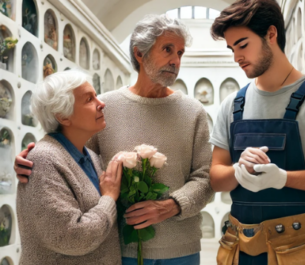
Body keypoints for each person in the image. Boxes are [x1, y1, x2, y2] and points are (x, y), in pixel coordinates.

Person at [15, 15, 213, 265]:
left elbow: (205, 177)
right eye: (167, 49)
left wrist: (171, 205)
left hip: (181, 248)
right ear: (140, 53)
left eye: (181, 53)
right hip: (119, 248)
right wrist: (31, 156)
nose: (176, 61)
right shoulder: (104, 107)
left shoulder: (193, 111)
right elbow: (72, 160)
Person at [209, 0, 305, 264]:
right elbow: (217, 178)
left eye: (242, 45)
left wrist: (283, 178)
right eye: (232, 49)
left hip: (296, 248)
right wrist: (238, 170)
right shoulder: (232, 106)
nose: (236, 57)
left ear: (271, 34)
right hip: (238, 249)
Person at [16, 70, 122, 264]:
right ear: (63, 116)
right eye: (89, 99)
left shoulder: (91, 156)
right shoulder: (43, 160)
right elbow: (73, 237)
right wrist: (109, 198)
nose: (101, 104)